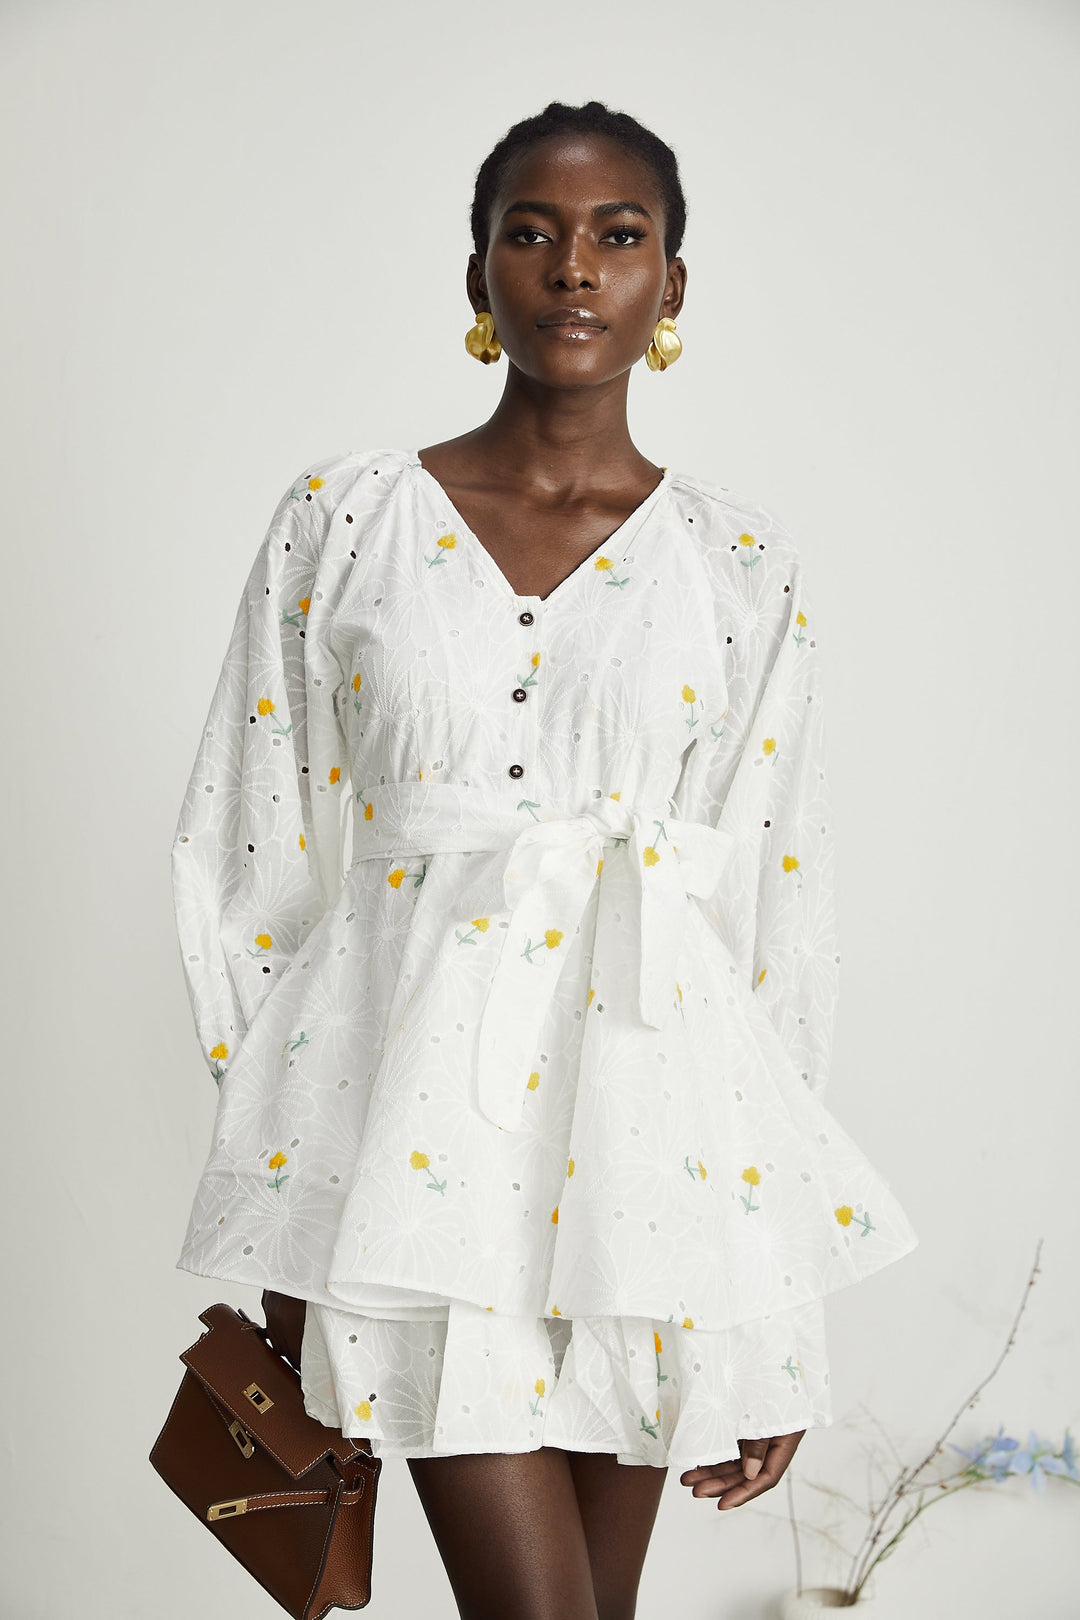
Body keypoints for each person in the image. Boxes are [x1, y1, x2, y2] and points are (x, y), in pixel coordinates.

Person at [170, 99, 919, 1620]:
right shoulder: (346, 522)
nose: (575, 266)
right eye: (533, 232)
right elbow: (252, 870)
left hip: (648, 1172)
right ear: (479, 276)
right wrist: (291, 1207)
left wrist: (765, 1307)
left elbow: (769, 922)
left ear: (671, 285)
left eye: (618, 235)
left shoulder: (737, 564)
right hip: (412, 1172)